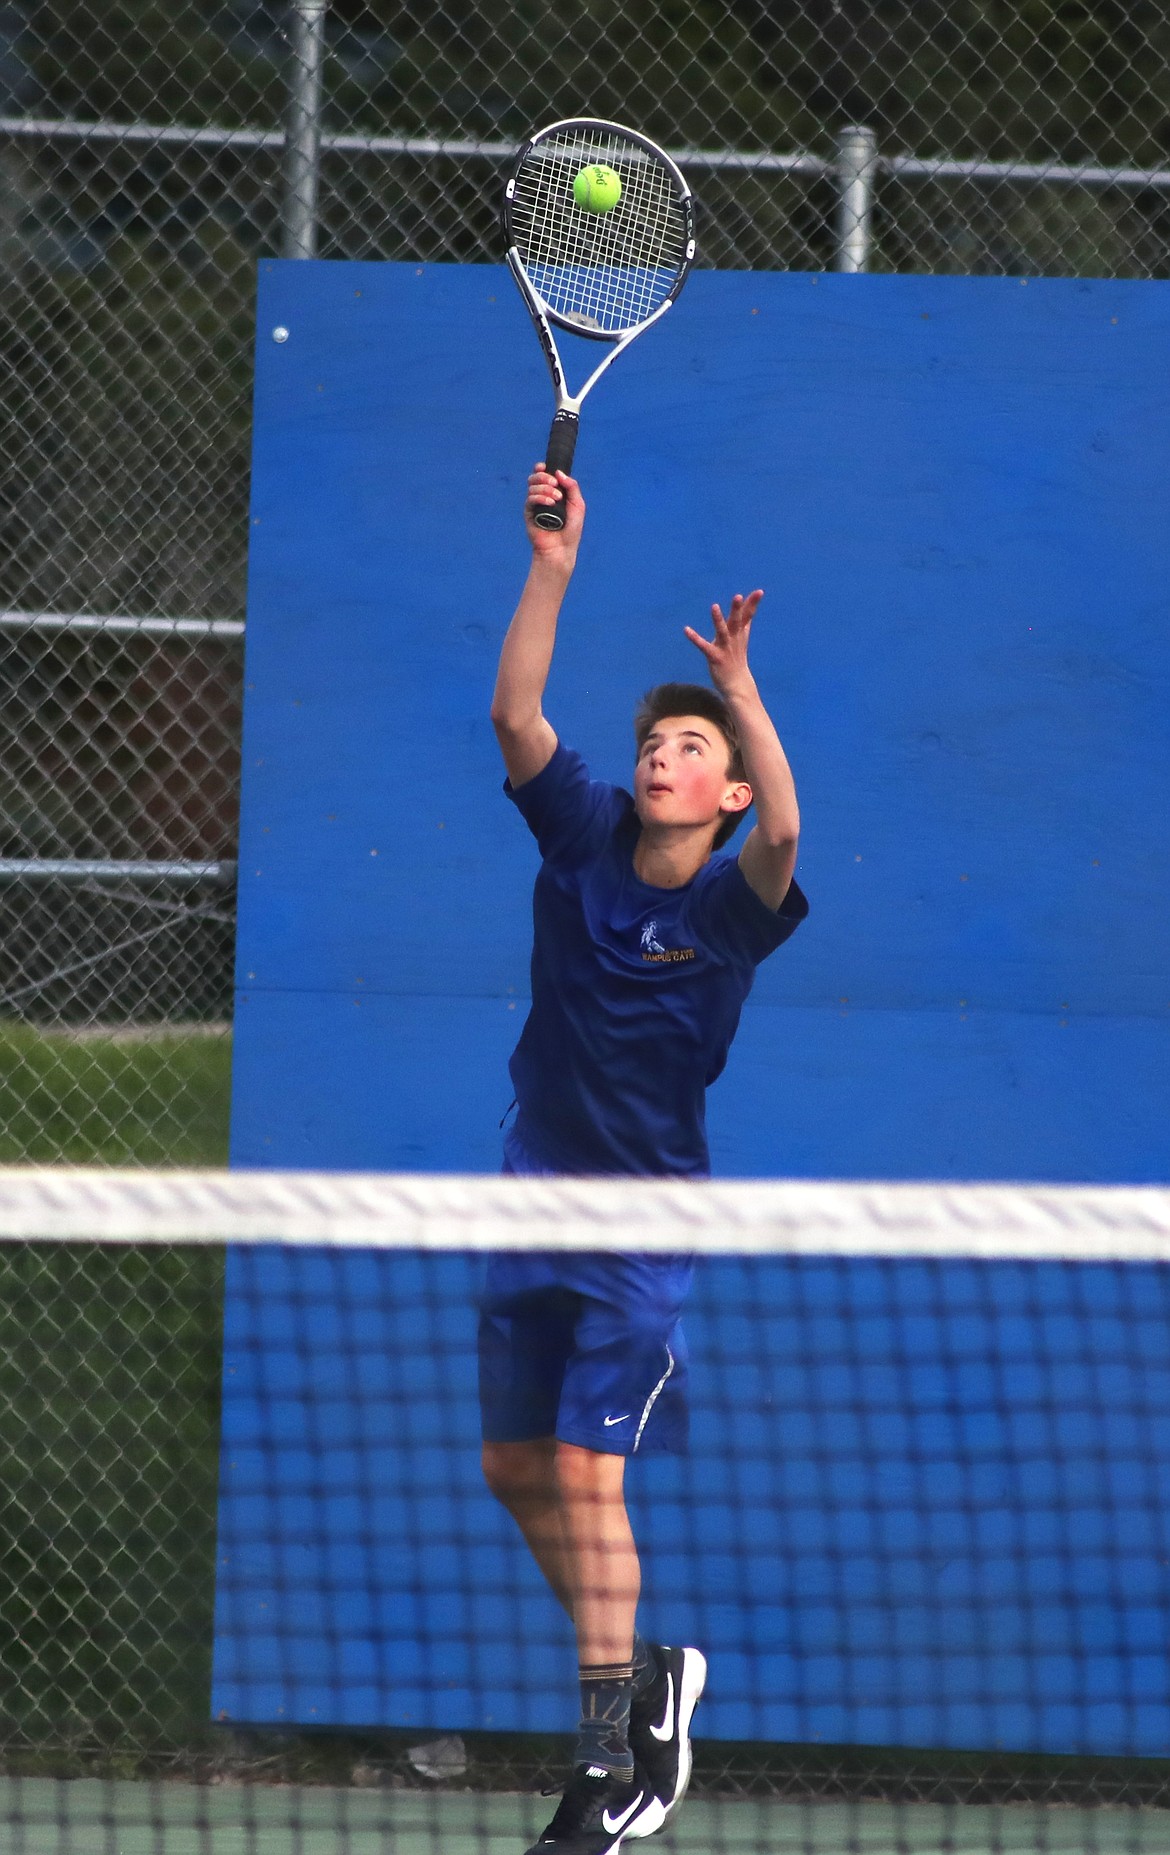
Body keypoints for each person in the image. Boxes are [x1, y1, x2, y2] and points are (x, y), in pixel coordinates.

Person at [479, 464, 808, 1855]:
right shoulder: (584, 832)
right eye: (659, 741)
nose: (665, 756)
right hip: (526, 1193)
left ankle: (610, 1759)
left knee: (583, 1471)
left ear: (721, 789)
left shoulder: (737, 908)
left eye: (693, 750)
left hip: (638, 1230)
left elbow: (788, 830)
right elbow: (515, 715)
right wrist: (552, 566)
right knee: (512, 1467)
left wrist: (738, 692)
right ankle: (652, 1676)